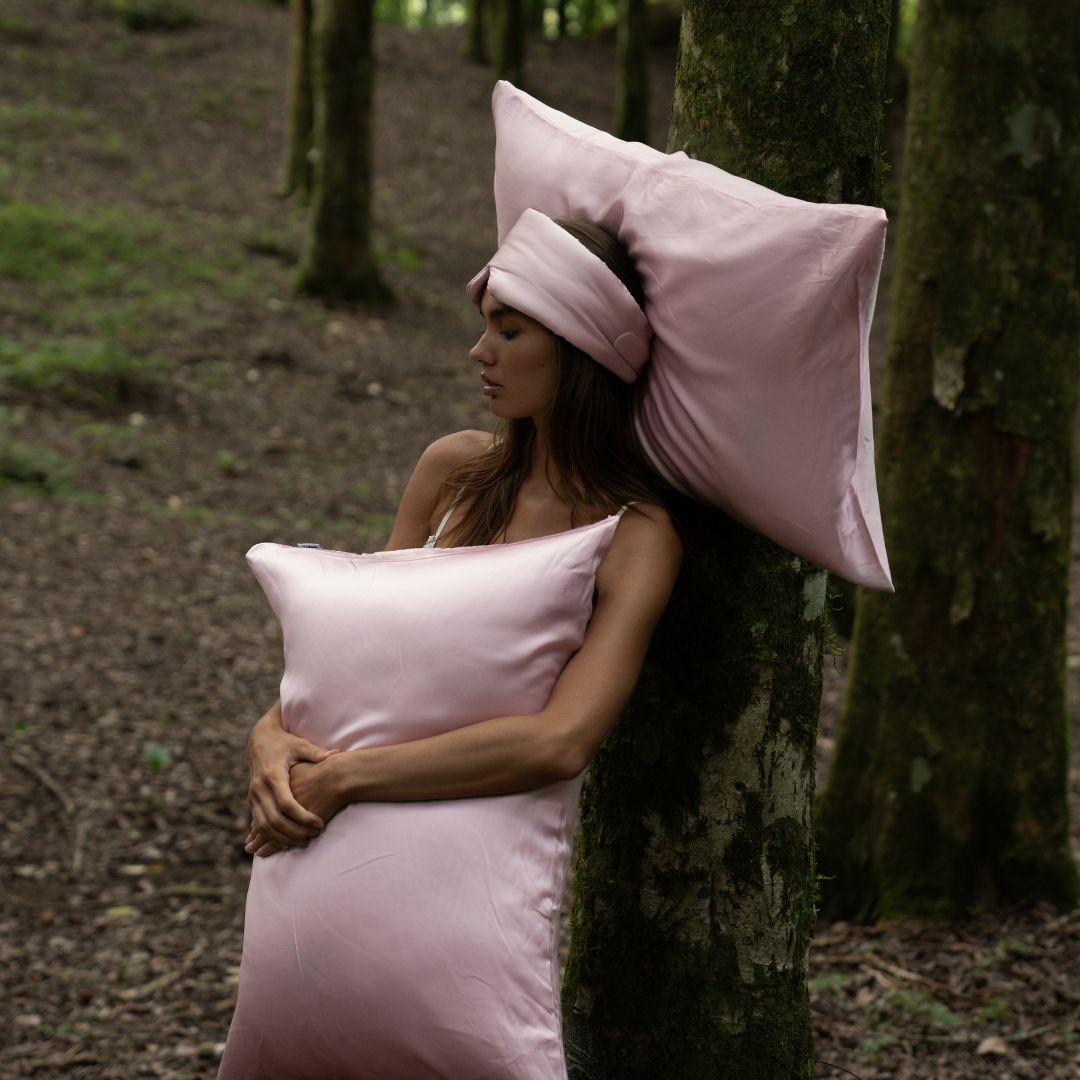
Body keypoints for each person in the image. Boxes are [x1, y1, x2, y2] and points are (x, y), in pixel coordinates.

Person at [241, 216, 681, 863]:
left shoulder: (635, 534)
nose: (480, 351)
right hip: (326, 840)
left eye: (509, 330)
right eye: (485, 327)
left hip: (471, 853)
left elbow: (561, 743)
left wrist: (344, 778)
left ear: (581, 345)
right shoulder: (452, 471)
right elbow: (364, 647)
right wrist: (269, 735)